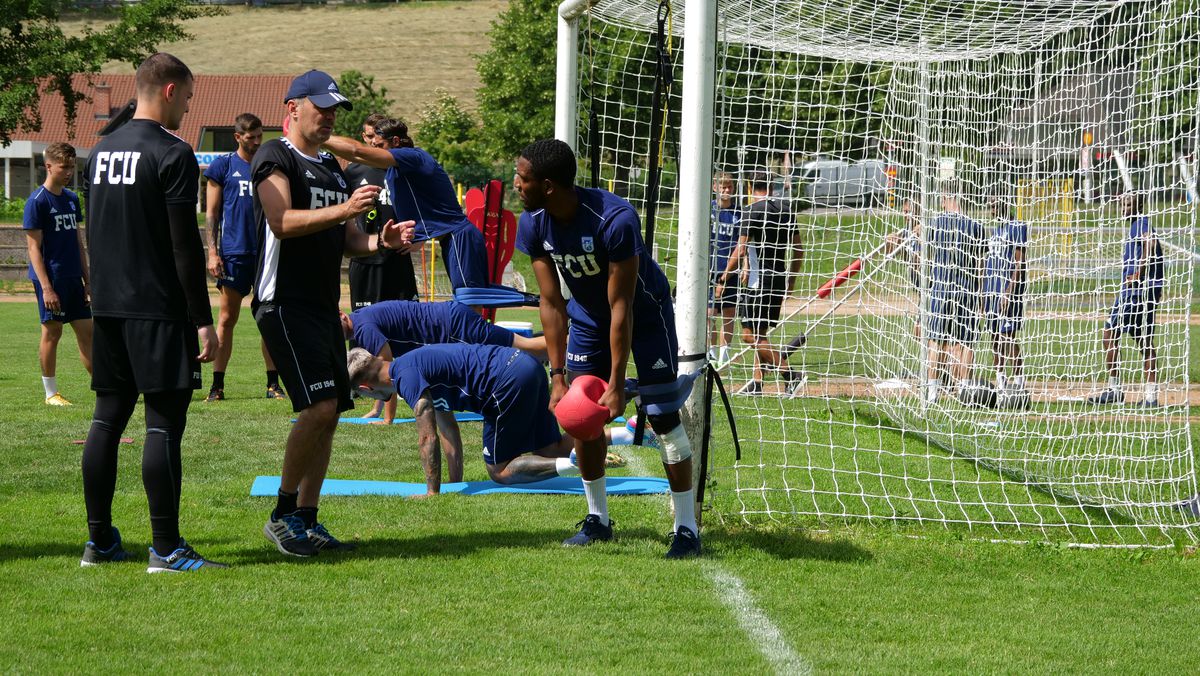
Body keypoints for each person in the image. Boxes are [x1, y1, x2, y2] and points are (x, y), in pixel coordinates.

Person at [513, 138, 701, 558]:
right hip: (588, 319)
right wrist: (557, 377)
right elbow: (550, 302)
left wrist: (617, 385)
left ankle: (686, 529)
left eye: (521, 179)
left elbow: (623, 307)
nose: (515, 185)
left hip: (645, 315)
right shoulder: (534, 222)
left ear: (547, 184)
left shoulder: (614, 219)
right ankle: (598, 520)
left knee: (663, 418)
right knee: (582, 420)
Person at [252, 69, 412, 558]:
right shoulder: (273, 156)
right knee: (318, 407)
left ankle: (307, 517)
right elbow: (281, 222)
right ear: (293, 108)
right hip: (283, 303)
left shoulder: (329, 167)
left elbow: (350, 242)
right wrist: (344, 211)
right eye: (320, 108)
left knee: (333, 413)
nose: (328, 118)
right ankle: (281, 514)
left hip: (322, 306)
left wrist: (378, 242)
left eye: (333, 111)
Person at [79, 53, 225, 572]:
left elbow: (93, 232)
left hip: (110, 308)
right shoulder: (173, 152)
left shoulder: (98, 153)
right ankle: (165, 548)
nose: (188, 107)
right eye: (186, 96)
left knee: (106, 421)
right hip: (159, 311)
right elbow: (184, 246)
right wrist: (202, 319)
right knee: (163, 426)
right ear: (167, 90)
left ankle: (99, 542)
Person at [347, 345, 627, 493]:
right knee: (549, 448)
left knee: (500, 471)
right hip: (525, 366)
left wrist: (432, 492)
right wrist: (454, 484)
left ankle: (577, 462)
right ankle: (629, 433)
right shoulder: (412, 366)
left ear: (365, 388)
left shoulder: (404, 376)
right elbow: (446, 429)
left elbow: (426, 436)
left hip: (507, 381)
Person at [341, 299, 549, 482]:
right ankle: (579, 456)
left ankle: (574, 346)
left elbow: (383, 369)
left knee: (527, 347)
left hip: (452, 327)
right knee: (548, 448)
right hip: (452, 325)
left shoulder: (365, 329)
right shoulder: (417, 369)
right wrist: (454, 483)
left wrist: (387, 417)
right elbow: (445, 423)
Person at [322, 119, 488, 291]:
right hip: (450, 239)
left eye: (379, 145)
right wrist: (417, 237)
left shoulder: (414, 156)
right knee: (466, 298)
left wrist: (320, 136)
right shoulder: (397, 170)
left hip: (458, 236)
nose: (374, 150)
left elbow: (357, 152)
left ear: (395, 141)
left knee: (469, 300)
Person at [203, 113, 285, 402]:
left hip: (266, 254)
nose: (256, 141)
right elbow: (211, 214)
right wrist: (212, 252)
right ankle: (217, 386)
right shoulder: (222, 166)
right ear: (238, 137)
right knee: (227, 319)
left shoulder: (270, 166)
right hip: (234, 253)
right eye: (250, 137)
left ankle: (273, 385)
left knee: (269, 318)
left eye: (259, 135)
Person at [23, 142, 92, 406]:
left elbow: (78, 243)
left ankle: (102, 387)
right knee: (52, 333)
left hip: (74, 277)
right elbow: (33, 249)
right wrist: (47, 287)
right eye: (64, 167)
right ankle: (51, 393)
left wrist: (88, 279)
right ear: (48, 166)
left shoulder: (72, 199)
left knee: (87, 331)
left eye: (72, 167)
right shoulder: (37, 202)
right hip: (50, 279)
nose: (69, 172)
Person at [730, 172, 805, 396]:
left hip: (758, 281)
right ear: (772, 186)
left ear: (750, 186)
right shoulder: (786, 210)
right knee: (760, 331)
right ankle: (757, 383)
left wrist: (723, 277)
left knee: (748, 334)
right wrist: (791, 279)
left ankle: (790, 374)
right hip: (779, 277)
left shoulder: (750, 211)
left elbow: (741, 248)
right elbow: (799, 250)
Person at [1088, 192, 1164, 407]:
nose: (1123, 209)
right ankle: (1150, 396)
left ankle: (1115, 390)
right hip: (1144, 292)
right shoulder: (1136, 225)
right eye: (1122, 204)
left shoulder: (1141, 224)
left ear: (1139, 205)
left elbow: (1151, 243)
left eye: (1127, 204)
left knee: (1109, 334)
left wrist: (1138, 273)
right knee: (1144, 342)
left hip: (1134, 293)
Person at [343, 113, 419, 312]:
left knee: (407, 325)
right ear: (364, 136)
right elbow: (341, 210)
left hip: (398, 259)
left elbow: (424, 208)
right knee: (364, 329)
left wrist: (421, 238)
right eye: (369, 136)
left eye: (377, 136)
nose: (373, 142)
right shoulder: (353, 171)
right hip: (365, 260)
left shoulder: (404, 169)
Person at [923, 194, 986, 404]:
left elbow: (926, 251)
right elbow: (980, 265)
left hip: (941, 289)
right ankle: (964, 390)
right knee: (965, 342)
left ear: (944, 200)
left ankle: (932, 391)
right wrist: (981, 294)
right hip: (966, 290)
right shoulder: (975, 225)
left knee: (937, 341)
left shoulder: (936, 223)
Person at [982, 198, 1029, 407]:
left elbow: (1020, 261)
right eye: (989, 206)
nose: (991, 209)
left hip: (1007, 292)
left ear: (1004, 204)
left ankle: (1019, 383)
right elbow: (987, 262)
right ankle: (1001, 382)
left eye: (994, 205)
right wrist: (983, 293)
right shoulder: (995, 231)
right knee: (995, 337)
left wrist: (1009, 291)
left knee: (1008, 336)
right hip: (991, 290)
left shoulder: (1017, 227)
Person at [708, 172, 741, 366]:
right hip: (710, 270)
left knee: (729, 313)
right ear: (715, 188)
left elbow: (743, 244)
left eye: (729, 187)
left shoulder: (739, 213)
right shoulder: (708, 211)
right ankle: (710, 352)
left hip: (731, 270)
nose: (726, 190)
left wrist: (743, 266)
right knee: (710, 314)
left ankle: (724, 354)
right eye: (722, 187)